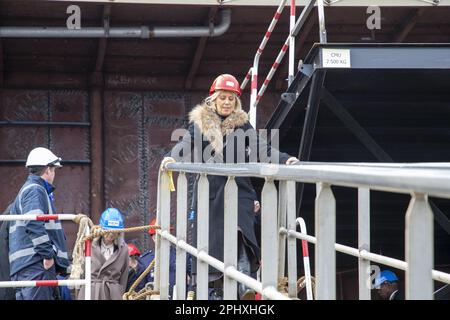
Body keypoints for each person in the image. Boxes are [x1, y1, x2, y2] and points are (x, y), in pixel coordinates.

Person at [160, 74, 299, 300]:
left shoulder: (243, 124)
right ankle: (216, 291)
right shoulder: (199, 123)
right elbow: (185, 144)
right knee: (211, 244)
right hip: (211, 193)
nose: (227, 102)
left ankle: (244, 285)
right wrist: (170, 159)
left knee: (241, 230)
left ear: (236, 103)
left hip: (240, 191)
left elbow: (262, 149)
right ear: (213, 99)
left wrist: (284, 159)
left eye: (231, 99)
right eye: (223, 98)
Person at [8, 147, 69, 300]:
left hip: (27, 266)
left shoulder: (29, 189)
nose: (54, 174)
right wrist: (48, 256)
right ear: (47, 170)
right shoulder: (35, 190)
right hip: (35, 265)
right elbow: (34, 223)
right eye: (54, 170)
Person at [126, 218, 189, 299]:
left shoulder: (183, 256)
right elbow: (139, 288)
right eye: (159, 236)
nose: (165, 238)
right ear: (153, 238)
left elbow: (194, 281)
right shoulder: (145, 260)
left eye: (167, 234)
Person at [77, 208, 129, 300]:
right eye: (108, 230)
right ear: (101, 228)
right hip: (91, 291)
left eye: (114, 231)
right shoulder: (89, 243)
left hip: (112, 293)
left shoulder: (123, 249)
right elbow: (81, 271)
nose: (111, 234)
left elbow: (124, 276)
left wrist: (119, 292)